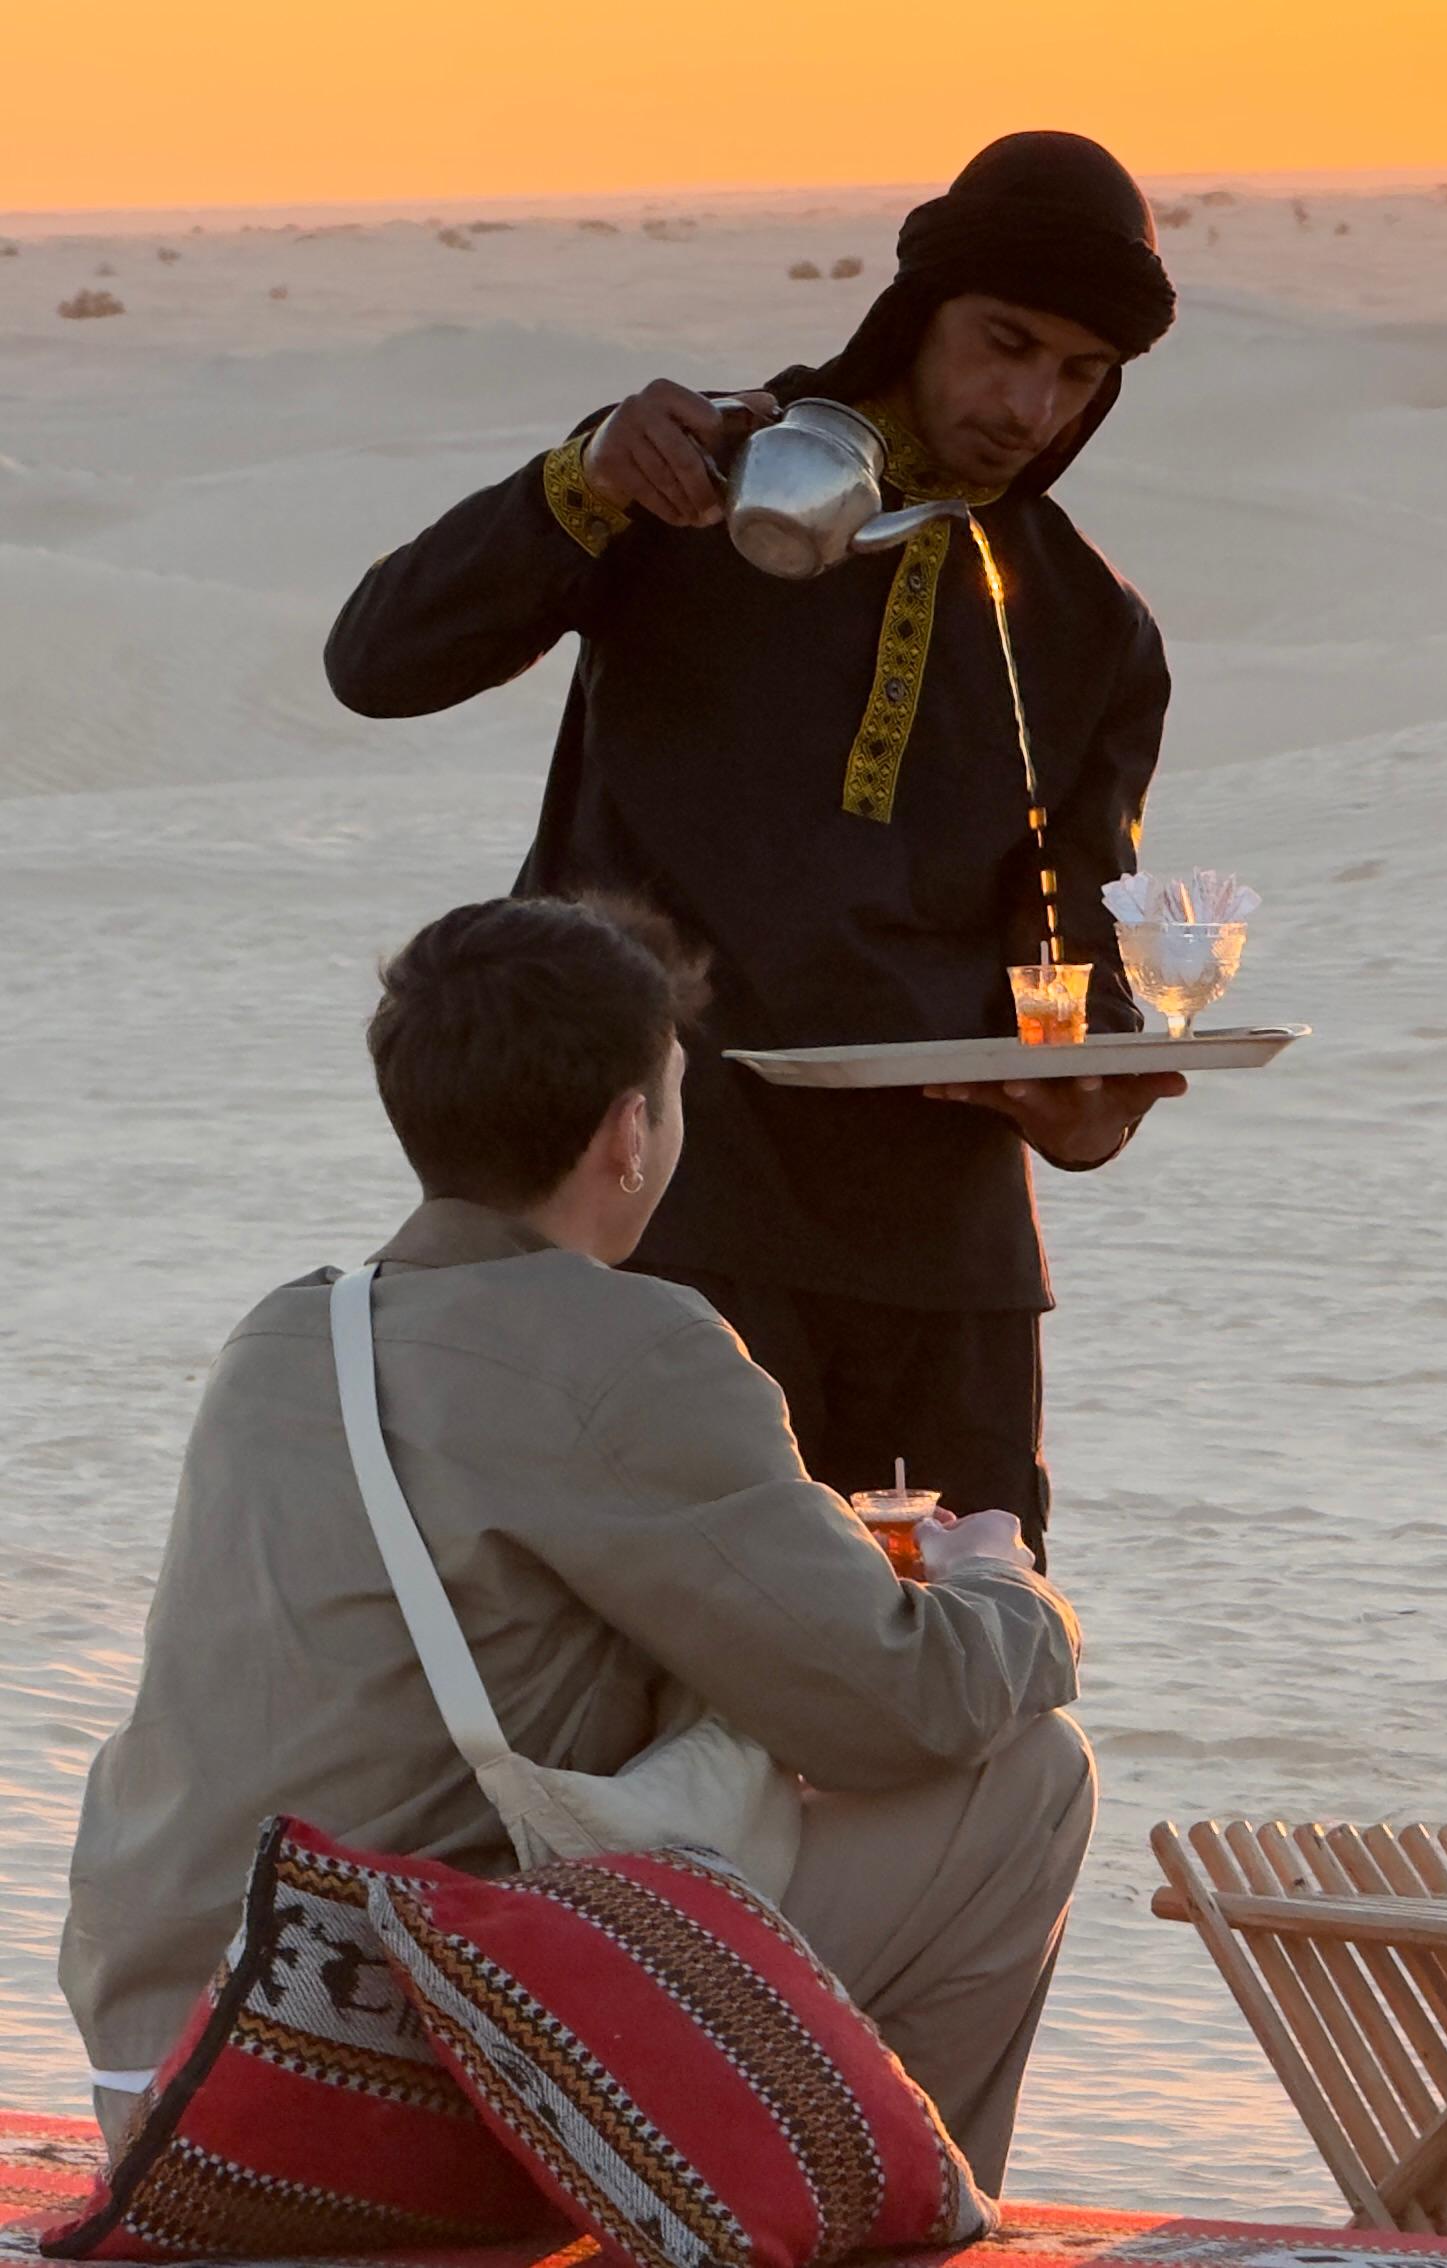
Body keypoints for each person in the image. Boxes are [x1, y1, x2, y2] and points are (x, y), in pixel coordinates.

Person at [62, 896, 1094, 2189]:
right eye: (671, 1093)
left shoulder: (281, 1337)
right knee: (1023, 1774)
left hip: (170, 2070)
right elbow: (896, 1706)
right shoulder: (630, 1347)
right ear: (629, 1131)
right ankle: (867, 2204)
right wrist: (1008, 1590)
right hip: (383, 2097)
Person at [325, 131, 1191, 1561]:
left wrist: (1096, 1099)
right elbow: (379, 660)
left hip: (948, 1267)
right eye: (1006, 344)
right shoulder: (689, 480)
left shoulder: (1092, 622)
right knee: (673, 1696)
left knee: (962, 1680)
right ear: (918, 313)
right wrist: (586, 477)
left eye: (1082, 374)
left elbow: (1070, 958)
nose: (1030, 405)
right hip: (670, 1207)